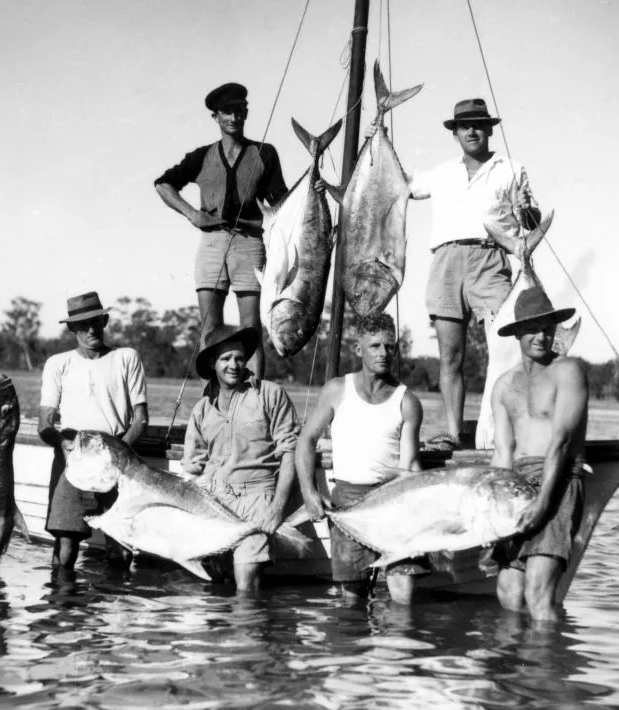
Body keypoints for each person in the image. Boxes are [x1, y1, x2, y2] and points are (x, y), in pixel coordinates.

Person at [396, 98, 542, 451]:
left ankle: (502, 433)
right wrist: (378, 135)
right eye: (464, 126)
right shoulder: (442, 172)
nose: (472, 131)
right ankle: (452, 433)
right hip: (445, 262)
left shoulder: (512, 169)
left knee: (506, 350)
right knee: (451, 356)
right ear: (456, 134)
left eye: (478, 124)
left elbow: (531, 221)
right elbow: (402, 185)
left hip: (490, 260)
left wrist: (527, 212)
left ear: (490, 129)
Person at [154, 82, 289, 382]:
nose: (233, 118)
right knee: (210, 329)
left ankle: (252, 402)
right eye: (227, 112)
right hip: (211, 246)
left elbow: (281, 203)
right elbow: (163, 184)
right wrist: (192, 215)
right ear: (215, 117)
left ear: (246, 113)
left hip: (249, 245)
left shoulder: (264, 153)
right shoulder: (202, 156)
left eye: (239, 111)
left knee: (251, 329)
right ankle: (212, 403)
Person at [296, 313, 426, 605]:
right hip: (347, 501)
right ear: (359, 350)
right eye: (375, 346)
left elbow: (410, 465)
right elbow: (305, 440)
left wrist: (423, 510)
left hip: (394, 501)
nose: (384, 353)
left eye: (390, 347)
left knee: (403, 597)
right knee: (351, 601)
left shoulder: (407, 401)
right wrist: (309, 492)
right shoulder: (337, 390)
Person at [490, 287, 588, 622]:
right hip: (516, 486)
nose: (542, 335)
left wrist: (544, 502)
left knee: (537, 592)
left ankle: (545, 672)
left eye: (548, 327)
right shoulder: (503, 386)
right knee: (509, 591)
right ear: (516, 332)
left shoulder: (568, 370)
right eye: (532, 328)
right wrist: (492, 520)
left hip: (557, 481)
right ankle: (516, 673)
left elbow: (561, 440)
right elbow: (502, 454)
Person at [181, 325, 300, 594]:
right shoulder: (202, 408)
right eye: (225, 359)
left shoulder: (269, 394)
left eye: (239, 358)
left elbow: (290, 450)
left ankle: (249, 631)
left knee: (246, 584)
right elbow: (193, 465)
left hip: (257, 498)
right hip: (213, 501)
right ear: (212, 363)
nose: (233, 365)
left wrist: (278, 507)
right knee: (216, 583)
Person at [38, 291, 149, 572]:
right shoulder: (58, 363)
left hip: (116, 461)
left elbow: (141, 420)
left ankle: (116, 604)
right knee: (65, 544)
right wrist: (63, 445)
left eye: (96, 321)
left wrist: (117, 455)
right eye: (83, 325)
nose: (91, 329)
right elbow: (44, 425)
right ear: (72, 328)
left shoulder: (126, 357)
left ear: (105, 320)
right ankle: (62, 605)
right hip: (75, 462)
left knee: (119, 547)